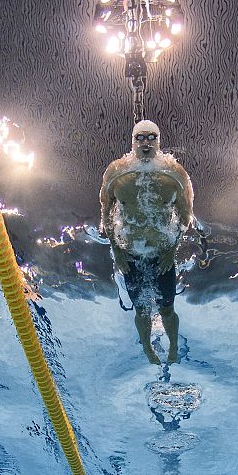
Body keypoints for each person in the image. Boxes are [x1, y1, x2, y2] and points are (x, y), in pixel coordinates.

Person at [99, 120, 194, 364]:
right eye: (140, 137)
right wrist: (117, 251)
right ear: (132, 141)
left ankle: (172, 347)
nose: (145, 143)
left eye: (151, 138)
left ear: (159, 142)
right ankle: (147, 348)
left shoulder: (175, 174)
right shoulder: (115, 173)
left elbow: (185, 218)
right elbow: (107, 215)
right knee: (141, 309)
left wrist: (171, 251)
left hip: (162, 253)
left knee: (167, 309)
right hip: (130, 253)